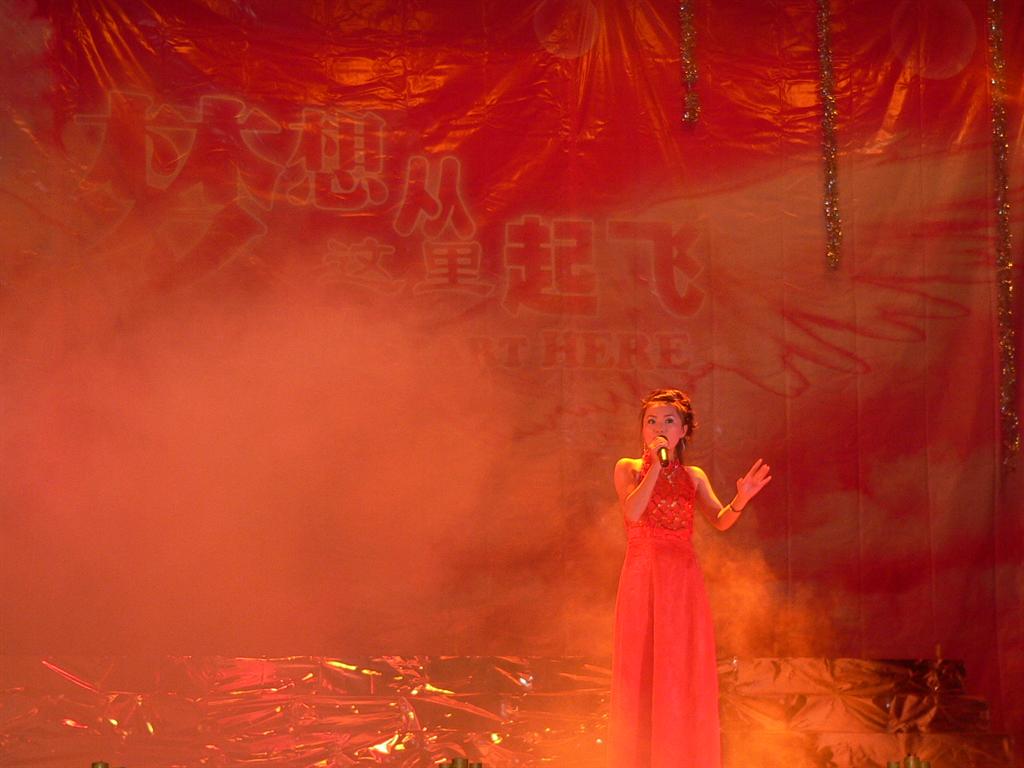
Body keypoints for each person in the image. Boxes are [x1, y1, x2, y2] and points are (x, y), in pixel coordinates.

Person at [608, 388, 771, 768]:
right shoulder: (627, 468)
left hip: (682, 580)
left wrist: (742, 498)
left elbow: (721, 521)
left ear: (683, 431)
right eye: (651, 421)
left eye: (668, 421)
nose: (658, 427)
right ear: (642, 430)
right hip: (643, 576)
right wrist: (655, 465)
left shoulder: (694, 477)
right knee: (642, 665)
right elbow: (633, 512)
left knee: (680, 666)